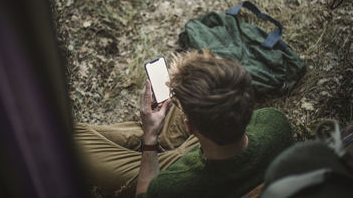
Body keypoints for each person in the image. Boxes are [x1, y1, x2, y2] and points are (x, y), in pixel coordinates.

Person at [74, 50, 293, 197]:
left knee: (74, 135)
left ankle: (149, 133)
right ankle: (153, 129)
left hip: (185, 161)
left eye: (180, 109)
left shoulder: (171, 186)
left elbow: (145, 194)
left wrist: (150, 138)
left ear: (190, 127)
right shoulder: (275, 123)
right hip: (210, 149)